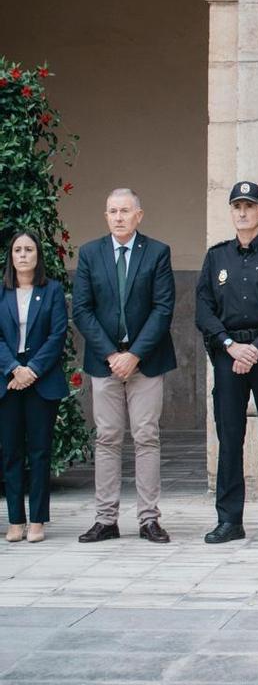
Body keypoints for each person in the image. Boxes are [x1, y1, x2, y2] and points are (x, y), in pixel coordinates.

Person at [195, 182, 258, 544]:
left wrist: (254, 348)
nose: (243, 212)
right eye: (237, 206)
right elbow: (203, 309)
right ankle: (229, 520)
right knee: (229, 437)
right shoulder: (216, 257)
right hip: (228, 354)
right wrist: (230, 346)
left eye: (249, 206)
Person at [73, 188, 177, 544]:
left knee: (147, 436)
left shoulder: (157, 252)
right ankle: (106, 520)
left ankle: (149, 520)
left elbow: (163, 308)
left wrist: (134, 355)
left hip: (146, 362)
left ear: (139, 215)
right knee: (107, 438)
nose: (118, 217)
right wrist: (111, 354)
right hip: (104, 362)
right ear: (106, 216)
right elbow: (82, 310)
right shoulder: (90, 253)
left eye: (125, 211)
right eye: (112, 211)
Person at [0, 231, 68, 543]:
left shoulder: (52, 290)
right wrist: (14, 369)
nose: (23, 255)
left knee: (40, 452)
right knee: (11, 452)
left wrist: (32, 370)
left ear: (38, 255)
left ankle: (38, 520)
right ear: (10, 257)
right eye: (18, 250)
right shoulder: (1, 292)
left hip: (42, 379)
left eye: (29, 249)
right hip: (8, 380)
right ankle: (16, 520)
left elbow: (57, 335)